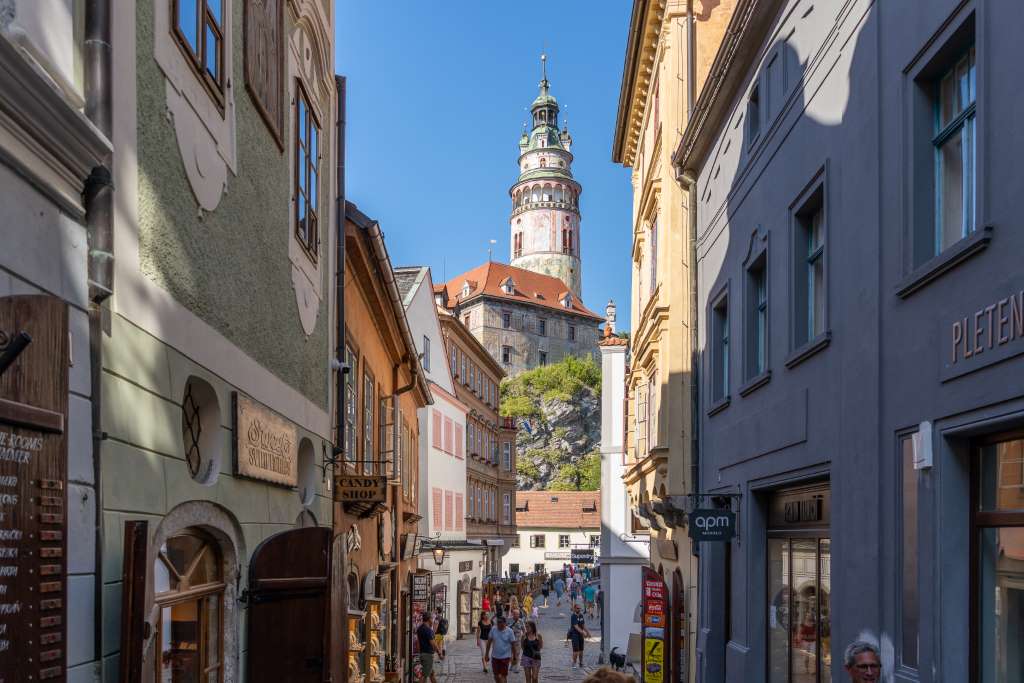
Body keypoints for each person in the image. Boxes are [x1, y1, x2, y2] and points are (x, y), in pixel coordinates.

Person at [485, 615, 517, 683]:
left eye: (501, 623)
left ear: (505, 623)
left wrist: (514, 656)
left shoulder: (510, 631)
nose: (499, 624)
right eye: (498, 623)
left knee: (503, 676)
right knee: (496, 676)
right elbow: (489, 642)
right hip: (495, 656)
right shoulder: (493, 629)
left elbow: (513, 645)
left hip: (505, 657)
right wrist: (486, 654)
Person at [566, 602, 590, 669]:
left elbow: (583, 625)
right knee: (576, 651)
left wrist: (587, 632)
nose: (579, 609)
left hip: (580, 636)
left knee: (581, 650)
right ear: (574, 609)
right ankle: (574, 663)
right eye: (577, 608)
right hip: (575, 635)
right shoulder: (573, 616)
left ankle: (581, 662)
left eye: (579, 608)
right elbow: (576, 626)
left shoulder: (581, 615)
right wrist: (583, 632)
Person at [416, 613, 438, 683]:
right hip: (428, 655)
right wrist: (439, 653)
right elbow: (433, 643)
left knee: (431, 674)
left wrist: (419, 653)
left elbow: (418, 643)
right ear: (429, 620)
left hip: (422, 654)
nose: (433, 621)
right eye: (432, 619)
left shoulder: (420, 628)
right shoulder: (428, 630)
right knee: (424, 675)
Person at [508, 608, 525, 673]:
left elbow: (524, 630)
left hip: (518, 640)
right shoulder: (509, 620)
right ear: (512, 614)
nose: (516, 615)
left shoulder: (521, 621)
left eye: (518, 614)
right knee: (511, 654)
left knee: (517, 654)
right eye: (515, 614)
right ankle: (512, 664)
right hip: (510, 640)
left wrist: (524, 638)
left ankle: (517, 667)